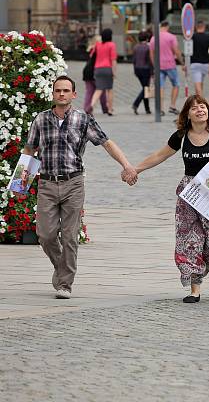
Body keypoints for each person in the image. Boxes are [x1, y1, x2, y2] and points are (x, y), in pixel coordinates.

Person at [22, 75, 137, 299]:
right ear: (53, 94)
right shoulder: (41, 120)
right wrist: (21, 181)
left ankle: (65, 284)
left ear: (74, 94)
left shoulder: (83, 120)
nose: (62, 94)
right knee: (45, 235)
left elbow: (106, 142)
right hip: (46, 183)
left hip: (73, 183)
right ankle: (62, 269)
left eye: (66, 91)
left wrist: (126, 165)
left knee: (69, 236)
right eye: (58, 91)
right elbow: (29, 150)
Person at [132, 95, 209, 303]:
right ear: (187, 114)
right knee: (189, 240)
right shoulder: (181, 136)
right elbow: (159, 155)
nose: (200, 110)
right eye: (194, 108)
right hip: (189, 191)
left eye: (203, 107)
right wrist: (136, 169)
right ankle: (194, 289)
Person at [150, 21, 182, 114]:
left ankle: (160, 108)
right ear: (167, 27)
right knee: (176, 84)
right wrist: (182, 61)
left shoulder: (153, 38)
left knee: (160, 87)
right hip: (170, 64)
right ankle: (172, 106)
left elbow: (151, 53)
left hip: (159, 66)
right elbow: (176, 51)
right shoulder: (171, 37)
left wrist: (154, 65)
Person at [89, 28, 117, 116]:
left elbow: (91, 55)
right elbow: (113, 60)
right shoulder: (111, 45)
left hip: (97, 69)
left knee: (99, 89)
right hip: (107, 68)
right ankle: (110, 109)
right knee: (109, 90)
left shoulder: (98, 45)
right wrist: (114, 72)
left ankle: (91, 106)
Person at [81, 35, 108, 115]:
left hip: (87, 72)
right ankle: (105, 108)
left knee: (89, 91)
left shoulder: (89, 49)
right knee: (101, 91)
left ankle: (87, 108)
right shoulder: (98, 49)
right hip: (95, 72)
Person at [187, 20, 209, 97]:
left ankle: (201, 103)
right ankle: (198, 100)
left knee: (198, 85)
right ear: (204, 27)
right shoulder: (208, 37)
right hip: (205, 64)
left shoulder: (192, 36)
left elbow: (187, 48)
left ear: (196, 27)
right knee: (200, 83)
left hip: (195, 63)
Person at [131, 30, 153, 115]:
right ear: (147, 38)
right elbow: (150, 61)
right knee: (145, 89)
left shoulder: (136, 47)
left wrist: (135, 70)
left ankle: (147, 109)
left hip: (137, 69)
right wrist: (152, 72)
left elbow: (134, 60)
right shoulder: (148, 47)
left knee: (145, 88)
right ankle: (135, 104)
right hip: (146, 70)